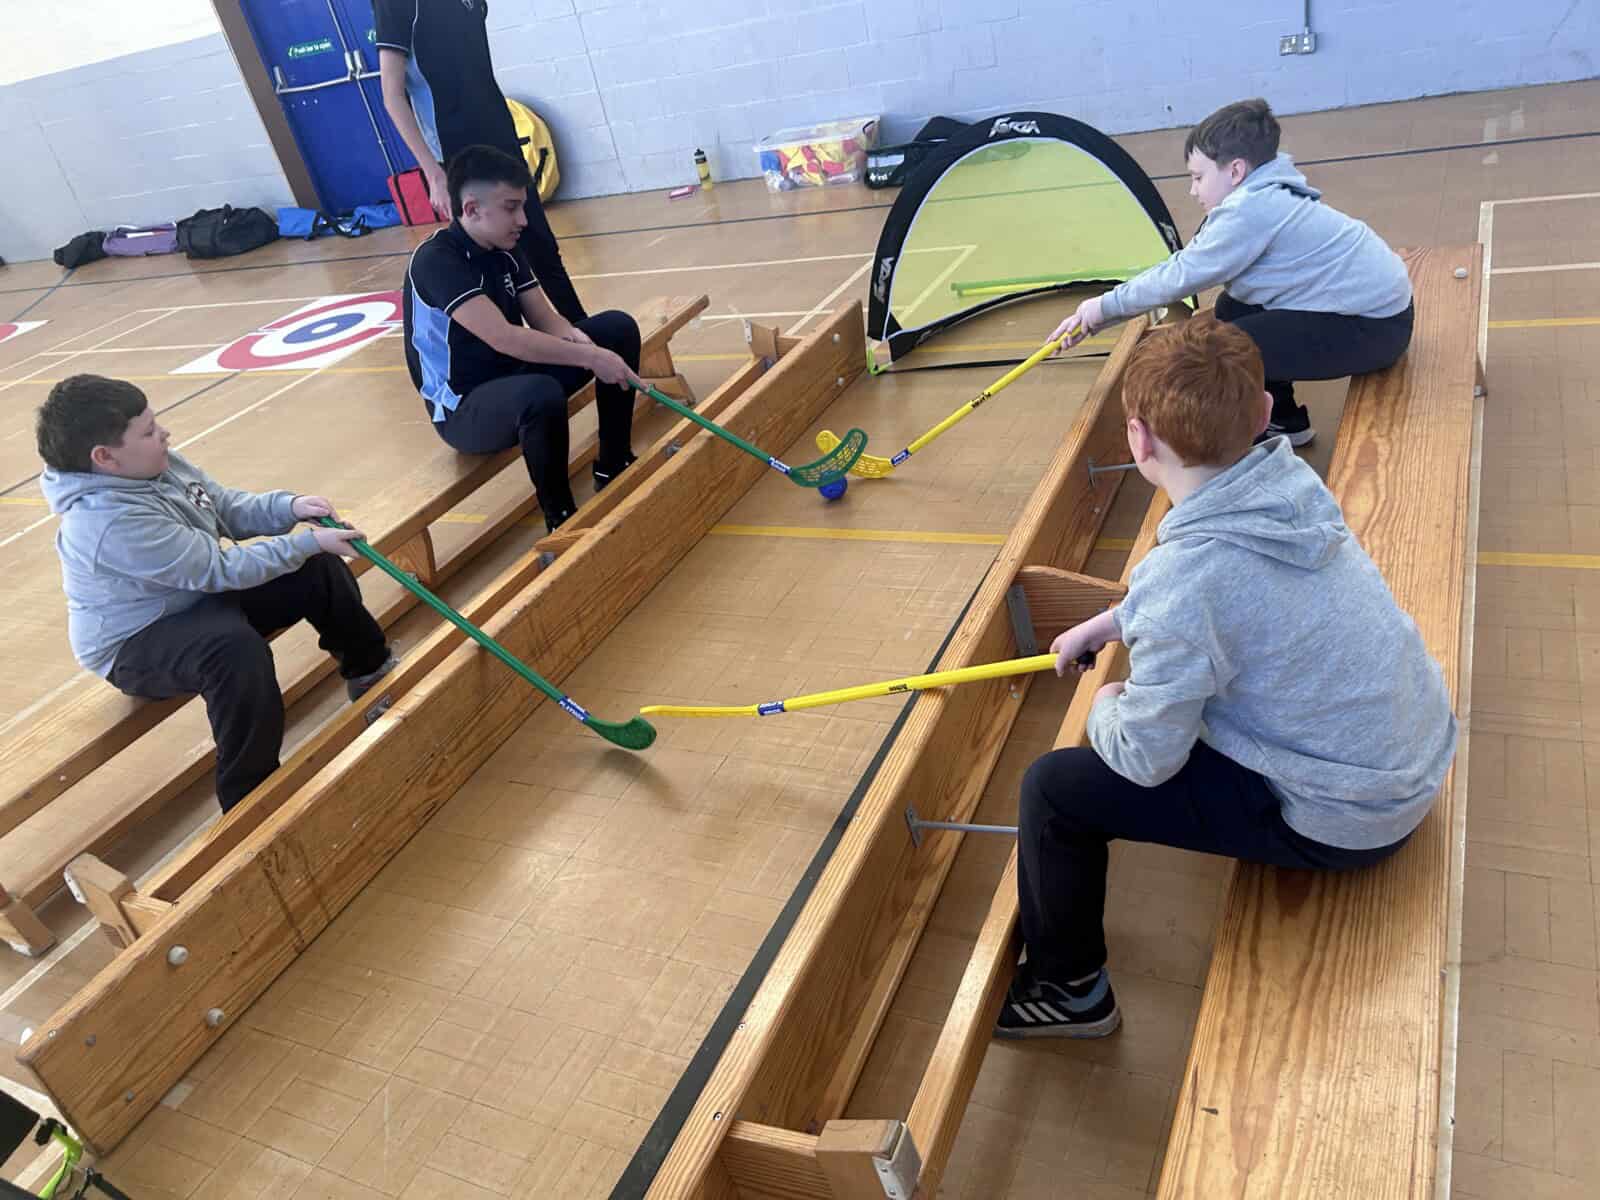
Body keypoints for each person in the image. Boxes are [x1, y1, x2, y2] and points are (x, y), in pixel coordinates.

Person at [996, 314, 1456, 1039]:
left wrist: (1106, 702)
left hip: (1349, 817)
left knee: (1053, 790)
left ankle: (1068, 987)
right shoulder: (1286, 485)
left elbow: (1146, 759)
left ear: (1139, 441)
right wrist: (1114, 622)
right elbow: (1207, 591)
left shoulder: (1187, 584)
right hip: (1407, 752)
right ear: (1265, 411)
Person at [37, 375, 396, 813]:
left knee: (315, 568)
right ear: (105, 457)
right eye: (148, 431)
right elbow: (218, 569)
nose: (164, 433)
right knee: (233, 649)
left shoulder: (154, 464)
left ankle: (372, 674)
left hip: (197, 601)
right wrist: (307, 542)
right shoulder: (105, 523)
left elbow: (222, 507)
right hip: (137, 641)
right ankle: (250, 797)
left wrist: (290, 507)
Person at [1051, 98, 1414, 447]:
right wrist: (1102, 314)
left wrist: (1102, 308)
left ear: (1236, 171)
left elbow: (1180, 276)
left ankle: (1240, 442)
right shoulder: (1267, 188)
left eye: (1198, 177)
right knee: (1232, 309)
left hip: (1375, 328)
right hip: (1380, 312)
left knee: (1230, 351)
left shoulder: (1250, 211)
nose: (1192, 190)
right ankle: (1283, 420)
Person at [402, 145, 640, 531]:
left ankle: (614, 464)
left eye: (523, 207)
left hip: (513, 376)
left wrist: (585, 344)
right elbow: (505, 338)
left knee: (616, 329)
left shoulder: (505, 247)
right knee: (540, 395)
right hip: (464, 408)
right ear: (471, 209)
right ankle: (561, 518)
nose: (524, 220)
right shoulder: (437, 261)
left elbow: (546, 320)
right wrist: (593, 359)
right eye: (511, 208)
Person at [374, 0, 588, 324]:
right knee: (495, 259)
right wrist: (433, 173)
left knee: (540, 245)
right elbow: (392, 95)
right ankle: (517, 345)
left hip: (500, 137)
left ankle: (582, 332)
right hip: (457, 153)